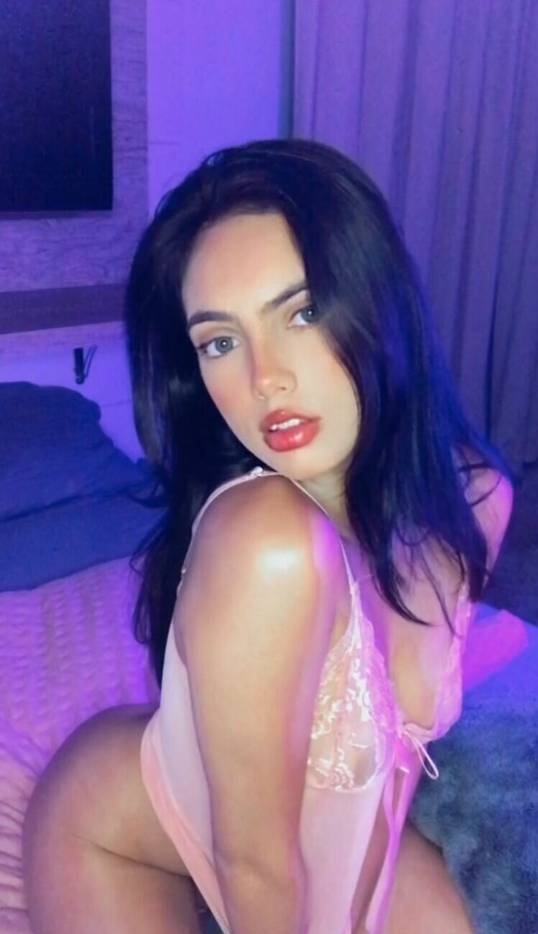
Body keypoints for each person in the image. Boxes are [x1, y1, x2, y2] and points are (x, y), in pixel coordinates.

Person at [23, 139, 515, 933]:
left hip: (323, 840)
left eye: (303, 311)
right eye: (220, 341)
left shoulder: (476, 500)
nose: (264, 379)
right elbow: (255, 863)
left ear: (376, 299)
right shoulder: (268, 545)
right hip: (120, 837)